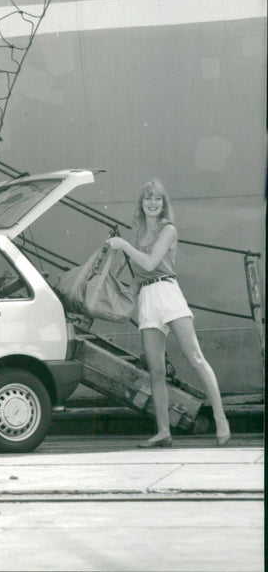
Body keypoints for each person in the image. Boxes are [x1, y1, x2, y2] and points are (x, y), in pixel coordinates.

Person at [107, 179, 231, 448]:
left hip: (168, 293)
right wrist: (121, 300)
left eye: (158, 199)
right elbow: (138, 278)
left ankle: (221, 419)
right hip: (149, 300)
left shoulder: (168, 230)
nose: (152, 203)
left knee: (196, 357)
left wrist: (124, 247)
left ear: (163, 204)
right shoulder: (136, 235)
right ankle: (163, 431)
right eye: (148, 198)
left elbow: (151, 263)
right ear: (141, 204)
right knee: (156, 371)